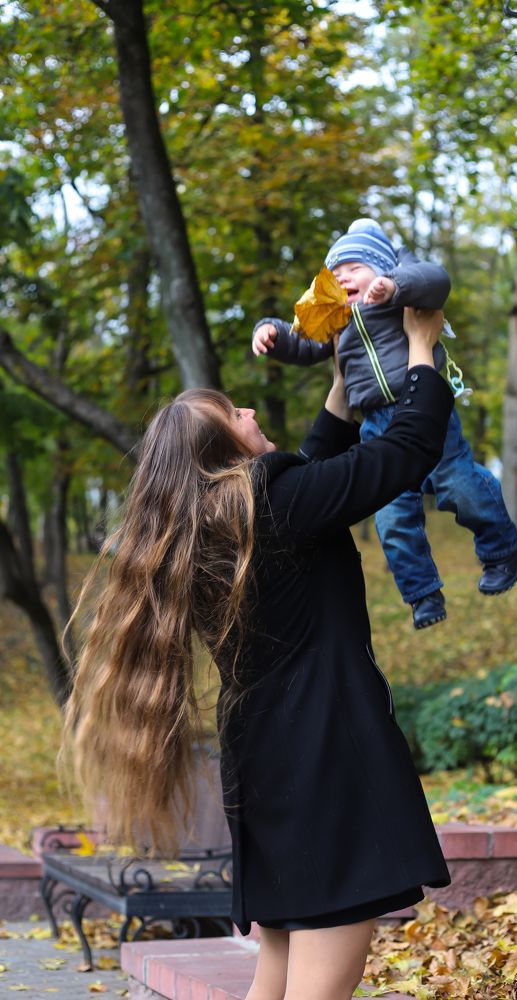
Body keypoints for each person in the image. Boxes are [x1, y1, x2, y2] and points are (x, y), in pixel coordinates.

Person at [62, 308, 454, 1000]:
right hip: (323, 762)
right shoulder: (274, 508)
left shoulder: (222, 528)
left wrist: (340, 382)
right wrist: (421, 349)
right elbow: (406, 452)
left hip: (271, 768)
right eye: (231, 413)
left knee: (273, 977)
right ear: (224, 453)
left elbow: (318, 471)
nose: (246, 407)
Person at [253, 219, 517, 630]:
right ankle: (421, 592)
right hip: (375, 421)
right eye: (336, 272)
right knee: (391, 513)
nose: (343, 276)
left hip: (425, 401)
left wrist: (393, 287)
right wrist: (270, 331)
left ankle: (501, 549)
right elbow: (305, 341)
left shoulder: (398, 289)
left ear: (381, 266)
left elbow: (434, 280)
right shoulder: (338, 318)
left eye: (355, 267)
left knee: (457, 485)